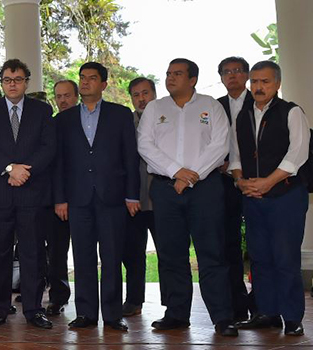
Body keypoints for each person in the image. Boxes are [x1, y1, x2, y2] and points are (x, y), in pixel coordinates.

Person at [137, 58, 238, 336]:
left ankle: (222, 317)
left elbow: (220, 145)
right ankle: (177, 314)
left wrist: (191, 176)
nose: (170, 78)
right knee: (171, 255)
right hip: (165, 189)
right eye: (168, 73)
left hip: (205, 189)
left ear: (192, 79)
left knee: (212, 254)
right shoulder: (155, 108)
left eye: (177, 74)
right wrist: (176, 172)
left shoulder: (211, 106)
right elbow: (145, 144)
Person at [54, 62, 139, 331]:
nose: (85, 82)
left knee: (112, 256)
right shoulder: (64, 120)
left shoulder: (120, 114)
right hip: (77, 199)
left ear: (103, 84)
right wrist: (60, 198)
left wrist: (132, 195)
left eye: (92, 78)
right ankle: (86, 313)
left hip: (112, 197)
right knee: (82, 257)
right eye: (82, 78)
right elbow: (59, 163)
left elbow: (130, 158)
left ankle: (113, 315)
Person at [230, 61, 309, 336]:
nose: (258, 87)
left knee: (285, 258)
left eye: (265, 82)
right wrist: (241, 181)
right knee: (259, 257)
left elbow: (297, 154)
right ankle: (267, 312)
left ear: (277, 84)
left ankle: (292, 317)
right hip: (252, 196)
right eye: (254, 82)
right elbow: (236, 154)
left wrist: (267, 183)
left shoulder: (291, 112)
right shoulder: (242, 115)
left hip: (285, 195)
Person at [0, 58, 55, 330]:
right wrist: (10, 168)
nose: (13, 84)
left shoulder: (42, 111)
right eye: (8, 80)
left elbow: (49, 147)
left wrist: (24, 172)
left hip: (31, 192)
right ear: (2, 83)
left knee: (32, 253)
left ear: (26, 82)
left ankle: (34, 309)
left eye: (18, 80)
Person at [216, 56, 253, 322]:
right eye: (226, 72)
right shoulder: (214, 107)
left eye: (238, 71)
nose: (232, 76)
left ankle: (263, 307)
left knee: (259, 247)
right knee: (229, 247)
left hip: (259, 184)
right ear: (220, 77)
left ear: (247, 75)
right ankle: (237, 308)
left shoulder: (263, 102)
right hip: (223, 184)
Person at [122, 77, 157, 317]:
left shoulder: (168, 119)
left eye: (146, 93)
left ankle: (174, 306)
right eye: (136, 95)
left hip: (161, 199)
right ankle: (134, 301)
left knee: (169, 255)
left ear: (155, 94)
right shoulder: (125, 123)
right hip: (132, 200)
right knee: (132, 254)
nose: (141, 99)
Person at [43, 79, 79, 317]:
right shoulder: (52, 125)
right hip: (58, 199)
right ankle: (58, 296)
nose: (63, 100)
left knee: (89, 252)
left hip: (91, 198)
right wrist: (59, 198)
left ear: (76, 96)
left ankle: (93, 299)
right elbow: (52, 166)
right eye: (58, 96)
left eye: (67, 95)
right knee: (56, 251)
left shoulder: (90, 121)